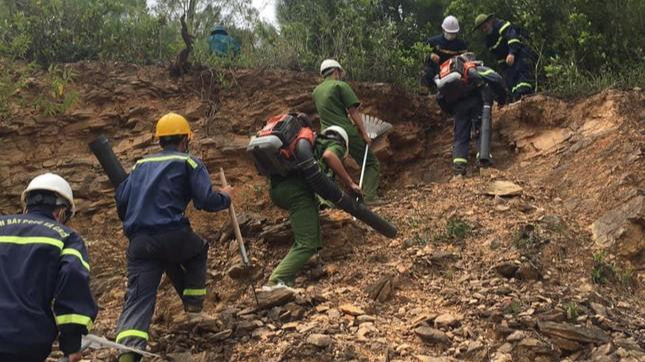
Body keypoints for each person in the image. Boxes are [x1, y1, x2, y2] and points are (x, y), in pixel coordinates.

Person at [114, 113, 233, 362]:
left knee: (138, 299)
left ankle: (127, 355)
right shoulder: (189, 162)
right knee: (198, 248)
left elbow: (122, 201)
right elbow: (205, 201)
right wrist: (225, 196)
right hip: (172, 234)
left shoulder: (139, 165)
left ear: (160, 141)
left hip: (140, 243)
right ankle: (193, 305)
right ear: (185, 139)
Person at [0, 173, 98, 362]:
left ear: (26, 204)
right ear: (61, 212)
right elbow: (73, 282)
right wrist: (71, 345)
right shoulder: (66, 237)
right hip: (24, 342)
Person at [261, 115, 362, 289]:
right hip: (296, 193)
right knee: (306, 243)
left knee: (310, 236)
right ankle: (276, 281)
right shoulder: (332, 144)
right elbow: (330, 156)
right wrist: (350, 183)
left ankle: (288, 282)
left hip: (279, 190)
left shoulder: (311, 142)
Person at [312, 59, 382, 204]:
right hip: (345, 132)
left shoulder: (316, 92)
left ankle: (327, 203)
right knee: (370, 163)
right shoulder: (340, 85)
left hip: (325, 134)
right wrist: (364, 133)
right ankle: (370, 197)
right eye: (339, 73)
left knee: (329, 170)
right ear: (336, 71)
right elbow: (353, 111)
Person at [434, 53, 508, 175]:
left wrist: (451, 111)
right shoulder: (474, 68)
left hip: (458, 108)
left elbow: (440, 97)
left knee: (460, 137)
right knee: (480, 131)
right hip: (477, 104)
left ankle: (459, 168)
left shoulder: (448, 75)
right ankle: (483, 162)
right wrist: (502, 99)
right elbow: (497, 79)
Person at [473, 14, 534, 101]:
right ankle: (517, 98)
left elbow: (513, 37)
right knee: (510, 78)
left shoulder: (501, 25)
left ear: (490, 21)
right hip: (508, 59)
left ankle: (525, 95)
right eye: (482, 29)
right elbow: (498, 57)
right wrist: (504, 69)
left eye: (485, 26)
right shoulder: (489, 42)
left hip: (521, 50)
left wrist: (512, 53)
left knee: (521, 71)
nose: (484, 30)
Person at [423, 15, 468, 87]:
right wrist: (431, 55)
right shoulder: (433, 41)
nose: (451, 35)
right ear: (443, 30)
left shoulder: (461, 45)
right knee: (427, 72)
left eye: (453, 33)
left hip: (453, 72)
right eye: (449, 33)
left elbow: (466, 60)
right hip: (436, 72)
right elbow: (422, 53)